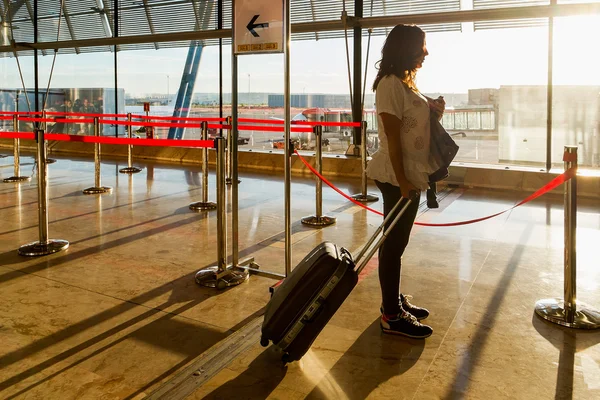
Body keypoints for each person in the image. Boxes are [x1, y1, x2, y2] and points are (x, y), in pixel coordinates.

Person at [365, 24, 445, 339]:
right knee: (394, 243)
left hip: (408, 173)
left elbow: (412, 127)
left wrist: (433, 113)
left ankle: (392, 301)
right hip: (397, 174)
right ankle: (391, 315)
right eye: (421, 46)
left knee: (396, 243)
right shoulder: (389, 84)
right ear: (405, 48)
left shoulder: (403, 82)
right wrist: (402, 181)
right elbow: (393, 138)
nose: (425, 52)